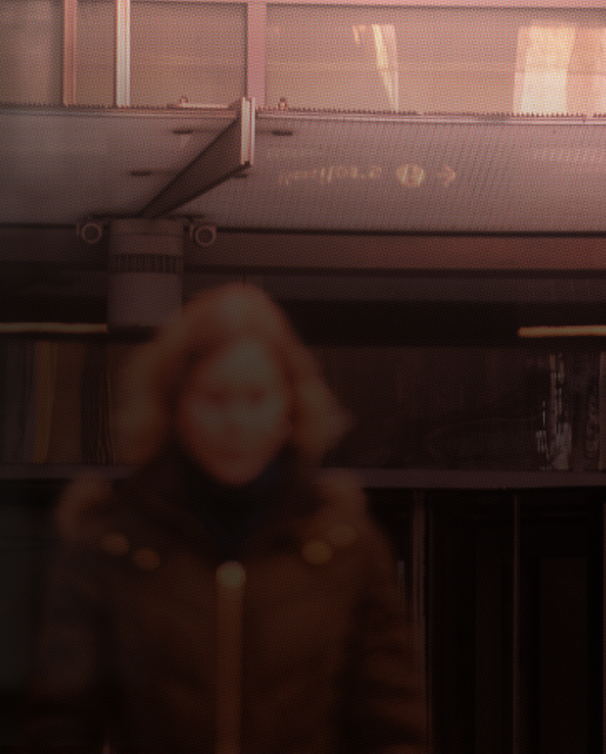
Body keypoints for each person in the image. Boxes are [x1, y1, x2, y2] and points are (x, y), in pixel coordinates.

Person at [25, 284, 426, 754]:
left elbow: (391, 727)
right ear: (177, 407)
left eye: (256, 397)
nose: (236, 420)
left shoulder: (346, 549)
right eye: (215, 398)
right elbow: (58, 726)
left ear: (289, 407)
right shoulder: (111, 545)